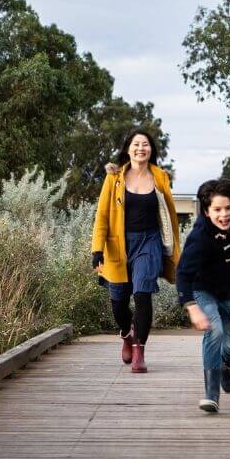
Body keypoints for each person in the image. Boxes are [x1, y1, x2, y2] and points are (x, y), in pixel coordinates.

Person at [91, 129, 180, 373]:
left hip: (148, 242)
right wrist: (97, 249)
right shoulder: (114, 177)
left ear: (151, 150)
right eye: (136, 144)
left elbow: (168, 214)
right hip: (118, 245)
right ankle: (126, 333)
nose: (141, 148)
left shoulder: (160, 177)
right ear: (128, 148)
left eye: (146, 144)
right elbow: (103, 215)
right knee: (118, 302)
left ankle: (140, 349)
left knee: (142, 294)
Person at [176, 178, 230, 413]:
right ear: (206, 211)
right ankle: (211, 394)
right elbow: (182, 274)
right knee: (215, 330)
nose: (224, 215)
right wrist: (192, 308)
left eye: (229, 208)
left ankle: (225, 365)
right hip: (202, 290)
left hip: (227, 292)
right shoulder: (199, 237)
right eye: (217, 210)